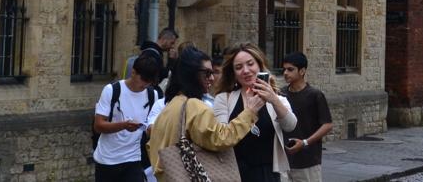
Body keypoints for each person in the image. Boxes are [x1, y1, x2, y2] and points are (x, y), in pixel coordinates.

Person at [144, 46, 259, 178]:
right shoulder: (194, 106)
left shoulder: (170, 107)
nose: (212, 78)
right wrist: (250, 112)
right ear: (191, 74)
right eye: (207, 73)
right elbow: (221, 139)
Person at [213, 43, 296, 182]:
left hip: (268, 174)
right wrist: (249, 112)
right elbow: (221, 136)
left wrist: (274, 100)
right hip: (234, 173)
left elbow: (290, 125)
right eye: (238, 67)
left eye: (250, 64)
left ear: (259, 65)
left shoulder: (278, 99)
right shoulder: (224, 99)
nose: (246, 70)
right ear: (233, 73)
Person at [93, 53, 162, 182]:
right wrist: (124, 125)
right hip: (107, 159)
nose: (146, 85)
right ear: (133, 73)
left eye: (149, 82)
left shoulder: (153, 95)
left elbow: (151, 125)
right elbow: (98, 126)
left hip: (133, 159)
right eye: (144, 80)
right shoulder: (112, 90)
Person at [280, 52, 333, 181]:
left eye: (290, 69)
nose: (285, 73)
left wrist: (304, 143)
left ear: (302, 71)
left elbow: (328, 124)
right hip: (283, 161)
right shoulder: (280, 94)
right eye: (284, 69)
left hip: (308, 161)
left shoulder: (315, 95)